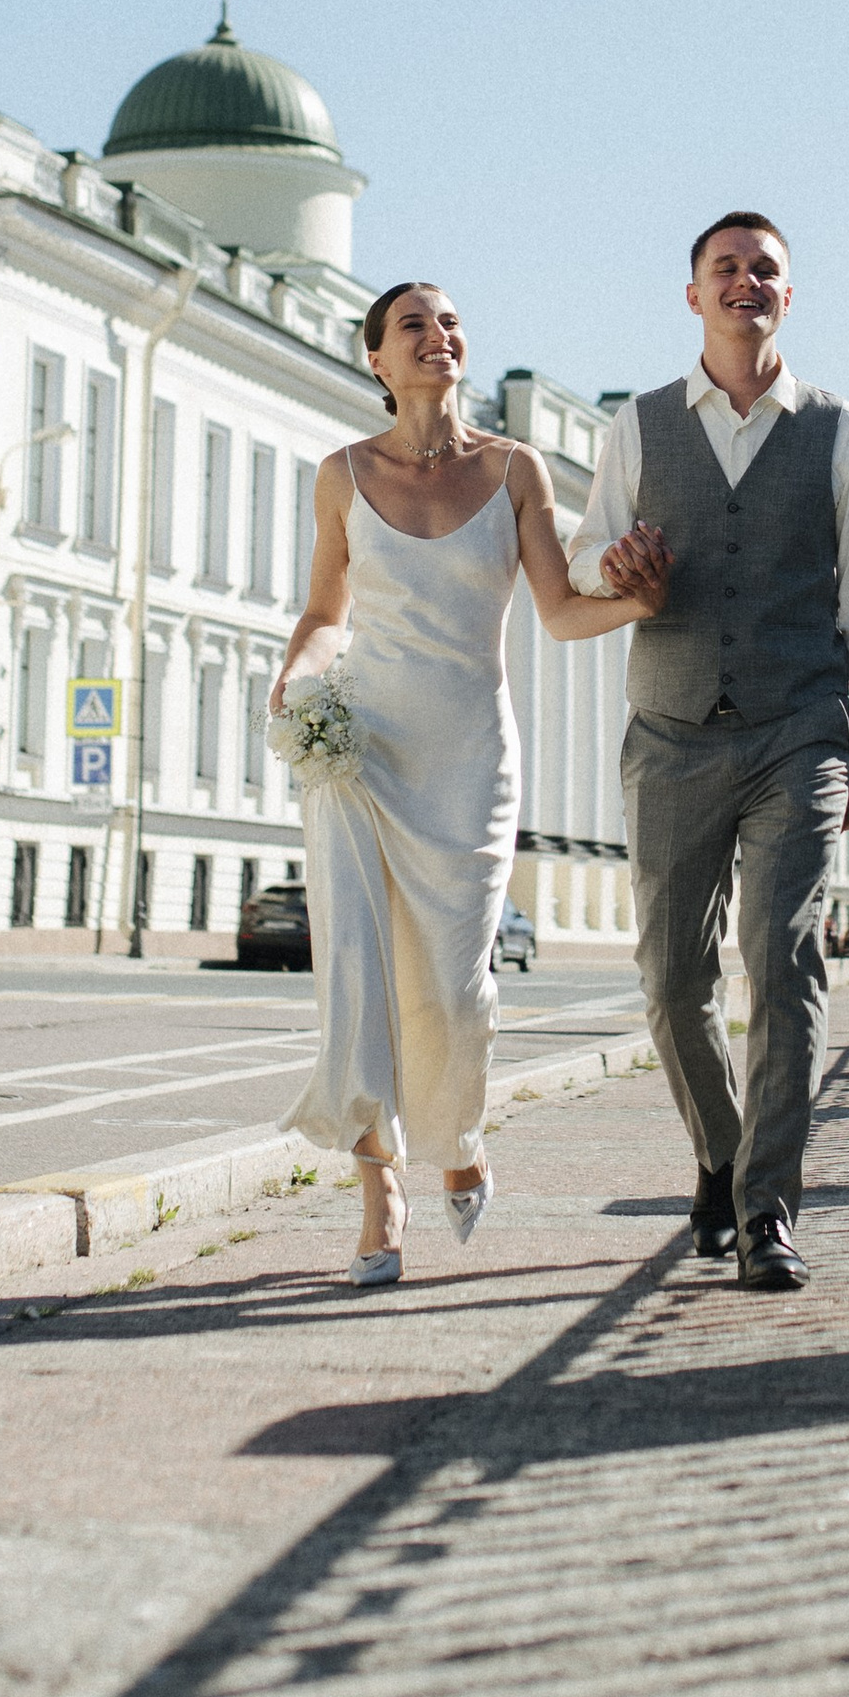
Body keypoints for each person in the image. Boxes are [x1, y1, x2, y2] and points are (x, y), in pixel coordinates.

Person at [272, 280, 665, 1286]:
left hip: (469, 758)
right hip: (359, 752)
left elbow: (561, 612)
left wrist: (635, 601)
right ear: (377, 359)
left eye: (450, 324)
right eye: (415, 325)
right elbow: (326, 615)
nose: (439, 337)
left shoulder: (513, 470)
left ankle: (461, 1136)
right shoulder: (341, 475)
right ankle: (379, 1192)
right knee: (357, 976)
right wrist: (298, 681)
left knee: (453, 991)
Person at [574, 212, 849, 1292]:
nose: (744, 282)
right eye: (726, 268)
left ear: (787, 298)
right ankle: (718, 1153)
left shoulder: (837, 429)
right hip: (668, 732)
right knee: (671, 982)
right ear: (694, 295)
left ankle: (768, 1209)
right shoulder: (641, 422)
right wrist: (619, 567)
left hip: (798, 729)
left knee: (782, 959)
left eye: (764, 269)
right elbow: (585, 557)